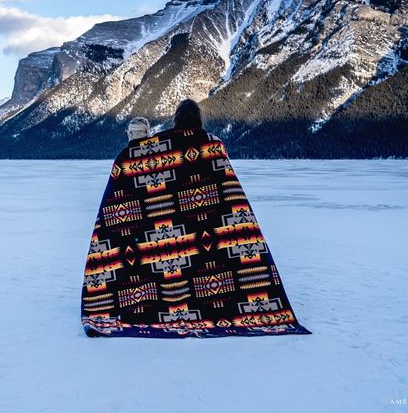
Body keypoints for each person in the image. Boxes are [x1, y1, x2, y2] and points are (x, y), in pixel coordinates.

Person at [80, 98, 311, 338]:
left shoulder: (161, 145)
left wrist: (131, 153)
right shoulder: (213, 145)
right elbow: (228, 188)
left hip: (167, 225)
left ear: (176, 119)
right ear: (199, 119)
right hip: (208, 222)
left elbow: (135, 168)